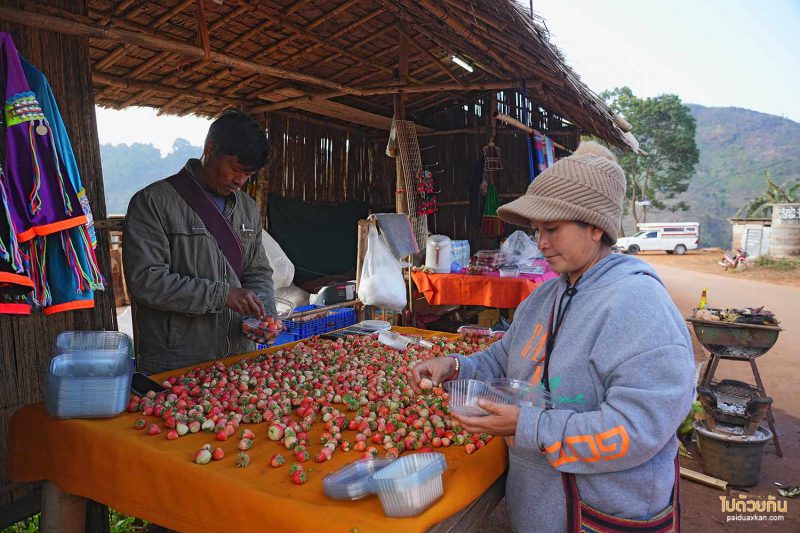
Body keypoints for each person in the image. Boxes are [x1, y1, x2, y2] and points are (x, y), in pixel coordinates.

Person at [411, 142, 695, 532]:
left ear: (596, 227)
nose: (539, 242)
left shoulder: (638, 306)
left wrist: (530, 426)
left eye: (552, 229)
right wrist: (455, 366)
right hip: (539, 509)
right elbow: (505, 357)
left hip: (602, 514)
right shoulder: (544, 296)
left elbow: (638, 430)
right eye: (536, 230)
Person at [123, 110, 277, 375]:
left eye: (248, 174)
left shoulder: (248, 209)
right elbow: (147, 281)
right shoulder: (153, 202)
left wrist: (265, 317)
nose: (240, 181)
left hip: (239, 356)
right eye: (236, 169)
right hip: (178, 360)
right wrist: (222, 295)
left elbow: (258, 271)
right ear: (210, 150)